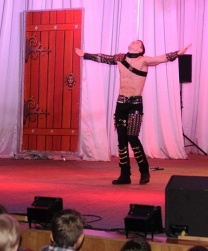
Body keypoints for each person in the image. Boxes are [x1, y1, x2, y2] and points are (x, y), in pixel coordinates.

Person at [76, 40, 191, 185]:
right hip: (121, 104)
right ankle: (125, 175)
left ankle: (144, 172)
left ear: (140, 49)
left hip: (135, 104)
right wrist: (85, 54)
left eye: (137, 42)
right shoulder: (120, 58)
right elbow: (103, 58)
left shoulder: (143, 61)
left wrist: (177, 53)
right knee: (121, 140)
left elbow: (160, 59)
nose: (133, 42)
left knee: (132, 137)